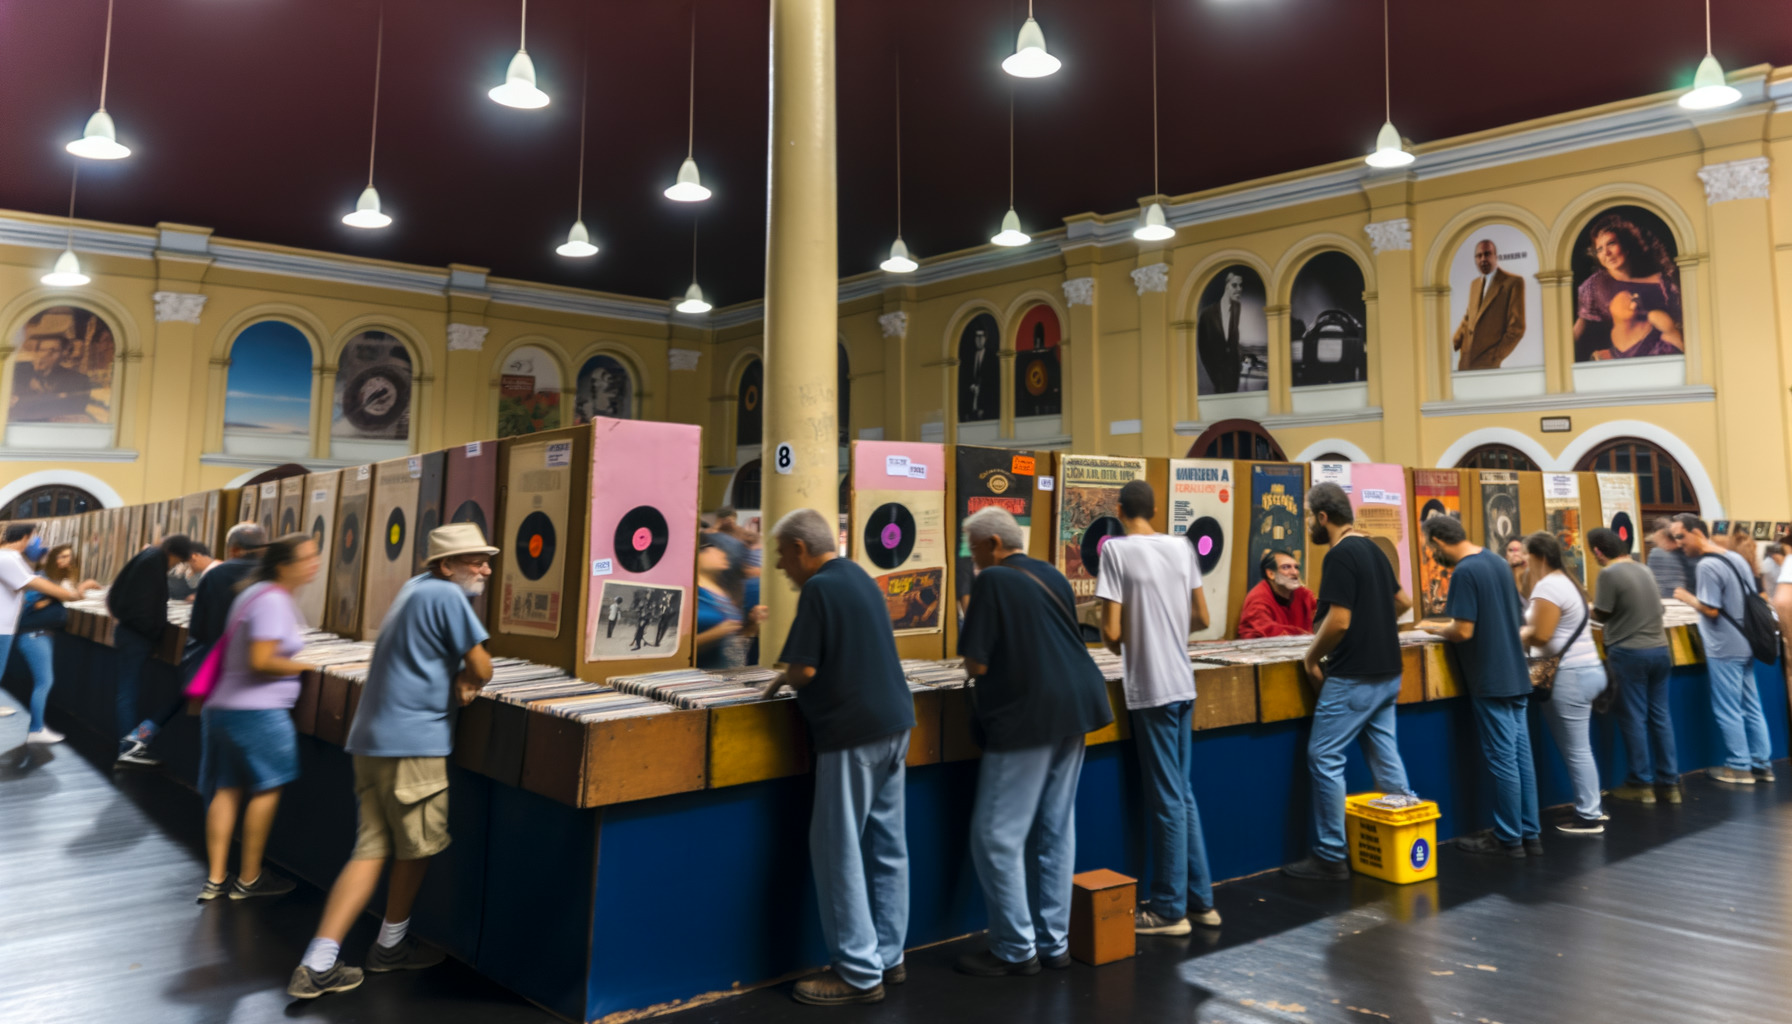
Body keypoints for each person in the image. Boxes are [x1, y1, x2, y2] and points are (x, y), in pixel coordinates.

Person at [289, 523, 496, 1000]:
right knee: (416, 847)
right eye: (475, 560)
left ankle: (317, 962)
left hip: (371, 739)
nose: (485, 568)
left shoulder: (414, 588)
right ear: (446, 566)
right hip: (414, 743)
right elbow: (483, 666)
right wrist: (470, 681)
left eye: (486, 559)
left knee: (371, 848)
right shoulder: (447, 597)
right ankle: (390, 947)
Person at [760, 508, 914, 1006]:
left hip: (852, 734)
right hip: (895, 724)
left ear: (802, 549)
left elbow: (804, 669)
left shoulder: (820, 588)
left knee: (838, 849)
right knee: (888, 847)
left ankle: (855, 971)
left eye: (783, 556)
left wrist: (784, 678)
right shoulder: (861, 578)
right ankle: (888, 957)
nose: (782, 568)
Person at [955, 507, 1112, 975]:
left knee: (995, 836)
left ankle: (1014, 949)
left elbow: (977, 665)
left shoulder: (992, 581)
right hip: (1078, 706)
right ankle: (1054, 943)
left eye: (974, 549)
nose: (974, 558)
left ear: (992, 545)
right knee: (1056, 828)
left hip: (1028, 715)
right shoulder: (1051, 573)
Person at [1095, 480, 1220, 933]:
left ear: (1120, 510)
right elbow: (1202, 618)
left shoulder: (1115, 551)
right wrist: (1163, 625)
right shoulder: (1182, 546)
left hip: (1150, 687)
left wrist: (1137, 631)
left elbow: (1110, 633)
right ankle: (1202, 902)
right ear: (1154, 509)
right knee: (1182, 795)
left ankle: (1169, 910)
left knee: (1168, 799)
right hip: (1184, 683)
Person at [1283, 483, 1417, 880]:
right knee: (1383, 753)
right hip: (1388, 672)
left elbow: (1338, 621)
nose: (1309, 523)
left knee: (1324, 757)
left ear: (1323, 517)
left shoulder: (1340, 554)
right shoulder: (1374, 548)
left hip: (1353, 676)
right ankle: (1408, 840)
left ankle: (1329, 855)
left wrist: (1311, 656)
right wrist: (1374, 628)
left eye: (1309, 516)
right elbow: (1404, 602)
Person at [197, 534, 321, 903]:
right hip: (258, 711)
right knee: (267, 787)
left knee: (227, 788)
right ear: (284, 565)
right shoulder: (274, 600)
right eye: (307, 558)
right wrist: (306, 664)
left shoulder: (252, 593)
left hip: (222, 707)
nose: (314, 563)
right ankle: (249, 878)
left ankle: (216, 879)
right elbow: (262, 660)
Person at [1420, 515, 1542, 857]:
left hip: (1490, 679)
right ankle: (1530, 834)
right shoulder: (1498, 563)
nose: (1432, 553)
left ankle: (1508, 838)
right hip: (1516, 673)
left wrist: (1433, 627)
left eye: (1430, 547)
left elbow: (1462, 630)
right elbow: (1517, 621)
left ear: (1439, 542)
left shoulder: (1465, 571)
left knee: (1503, 761)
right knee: (1521, 759)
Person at [118, 523, 267, 768]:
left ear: (234, 549)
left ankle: (136, 739)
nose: (186, 568)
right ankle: (135, 740)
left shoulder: (216, 574)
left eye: (186, 563)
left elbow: (199, 626)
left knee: (210, 737)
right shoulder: (270, 575)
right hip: (252, 670)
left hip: (210, 659)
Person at [1671, 515, 1772, 785]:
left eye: (1681, 536)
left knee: (1727, 708)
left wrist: (1687, 598)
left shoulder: (1707, 566)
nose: (1678, 543)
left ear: (1696, 533)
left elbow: (1712, 609)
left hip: (1724, 646)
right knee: (1751, 704)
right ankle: (1762, 763)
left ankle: (1739, 766)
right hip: (1747, 641)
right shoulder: (1734, 558)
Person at [1517, 532, 1606, 835]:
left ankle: (1589, 815)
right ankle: (1591, 806)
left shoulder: (1549, 586)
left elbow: (1541, 634)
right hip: (1587, 670)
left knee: (1576, 749)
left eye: (1526, 556)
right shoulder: (1566, 581)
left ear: (1536, 556)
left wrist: (1513, 634)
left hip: (1570, 675)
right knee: (1581, 747)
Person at [1587, 527, 1678, 804]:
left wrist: (1585, 608)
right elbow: (1659, 610)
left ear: (1598, 552)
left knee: (1634, 717)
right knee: (1660, 716)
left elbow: (1602, 613)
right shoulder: (1643, 569)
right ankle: (1670, 783)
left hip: (1629, 652)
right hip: (1660, 650)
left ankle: (1641, 783)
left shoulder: (1609, 574)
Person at [108, 535, 196, 769]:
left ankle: (128, 745)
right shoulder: (154, 562)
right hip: (137, 636)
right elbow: (148, 605)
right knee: (128, 690)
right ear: (174, 554)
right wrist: (154, 635)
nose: (175, 567)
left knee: (127, 690)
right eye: (177, 562)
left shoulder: (147, 556)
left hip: (128, 631)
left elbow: (116, 595)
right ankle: (128, 747)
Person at [2, 529, 99, 742]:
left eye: (69, 557)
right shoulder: (38, 575)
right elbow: (32, 603)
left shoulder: (46, 577)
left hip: (38, 634)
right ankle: (36, 729)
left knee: (44, 680)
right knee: (44, 681)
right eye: (62, 556)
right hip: (33, 634)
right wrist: (64, 595)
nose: (66, 561)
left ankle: (37, 728)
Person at [1572, 212, 1682, 361]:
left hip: (1664, 357)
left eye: (1611, 243)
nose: (1607, 254)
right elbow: (1581, 327)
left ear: (1625, 245)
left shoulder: (1662, 281)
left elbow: (1680, 324)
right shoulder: (1594, 285)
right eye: (1600, 249)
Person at [1452, 239, 1527, 370]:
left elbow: (1516, 328)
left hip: (1488, 364)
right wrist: (1453, 344)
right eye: (1479, 255)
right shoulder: (1474, 284)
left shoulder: (1512, 282)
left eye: (1487, 254)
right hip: (1465, 361)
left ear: (1495, 256)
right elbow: (1468, 318)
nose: (1483, 259)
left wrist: (1496, 356)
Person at [694, 533, 765, 669]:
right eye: (711, 548)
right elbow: (676, 648)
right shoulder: (693, 593)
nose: (721, 553)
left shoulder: (723, 590)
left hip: (727, 676)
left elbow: (733, 636)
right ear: (697, 554)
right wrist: (714, 634)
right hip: (701, 678)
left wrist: (751, 624)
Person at [10, 327, 95, 421]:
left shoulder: (78, 380)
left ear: (63, 353)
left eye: (52, 351)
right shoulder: (19, 375)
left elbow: (69, 410)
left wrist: (21, 401)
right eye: (41, 350)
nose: (44, 356)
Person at [1236, 549, 1317, 639]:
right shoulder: (1258, 598)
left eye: (1296, 567)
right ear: (1271, 574)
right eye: (1286, 567)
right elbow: (1268, 630)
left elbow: (1322, 613)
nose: (1295, 572)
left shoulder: (1303, 594)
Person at [1594, 288, 1683, 359]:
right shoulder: (1607, 347)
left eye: (1634, 299)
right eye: (1625, 299)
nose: (1633, 303)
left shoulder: (1656, 323)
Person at [1197, 270, 1246, 393]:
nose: (1239, 289)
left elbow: (1233, 336)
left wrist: (1239, 359)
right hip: (1217, 373)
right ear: (1226, 286)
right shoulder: (1207, 314)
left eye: (1240, 285)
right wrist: (1214, 373)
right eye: (1234, 285)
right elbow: (1203, 348)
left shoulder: (1237, 307)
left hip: (1234, 371)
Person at [1646, 518, 1689, 598]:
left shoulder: (1655, 553)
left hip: (1662, 600)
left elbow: (1650, 581)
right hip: (1682, 598)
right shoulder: (1686, 552)